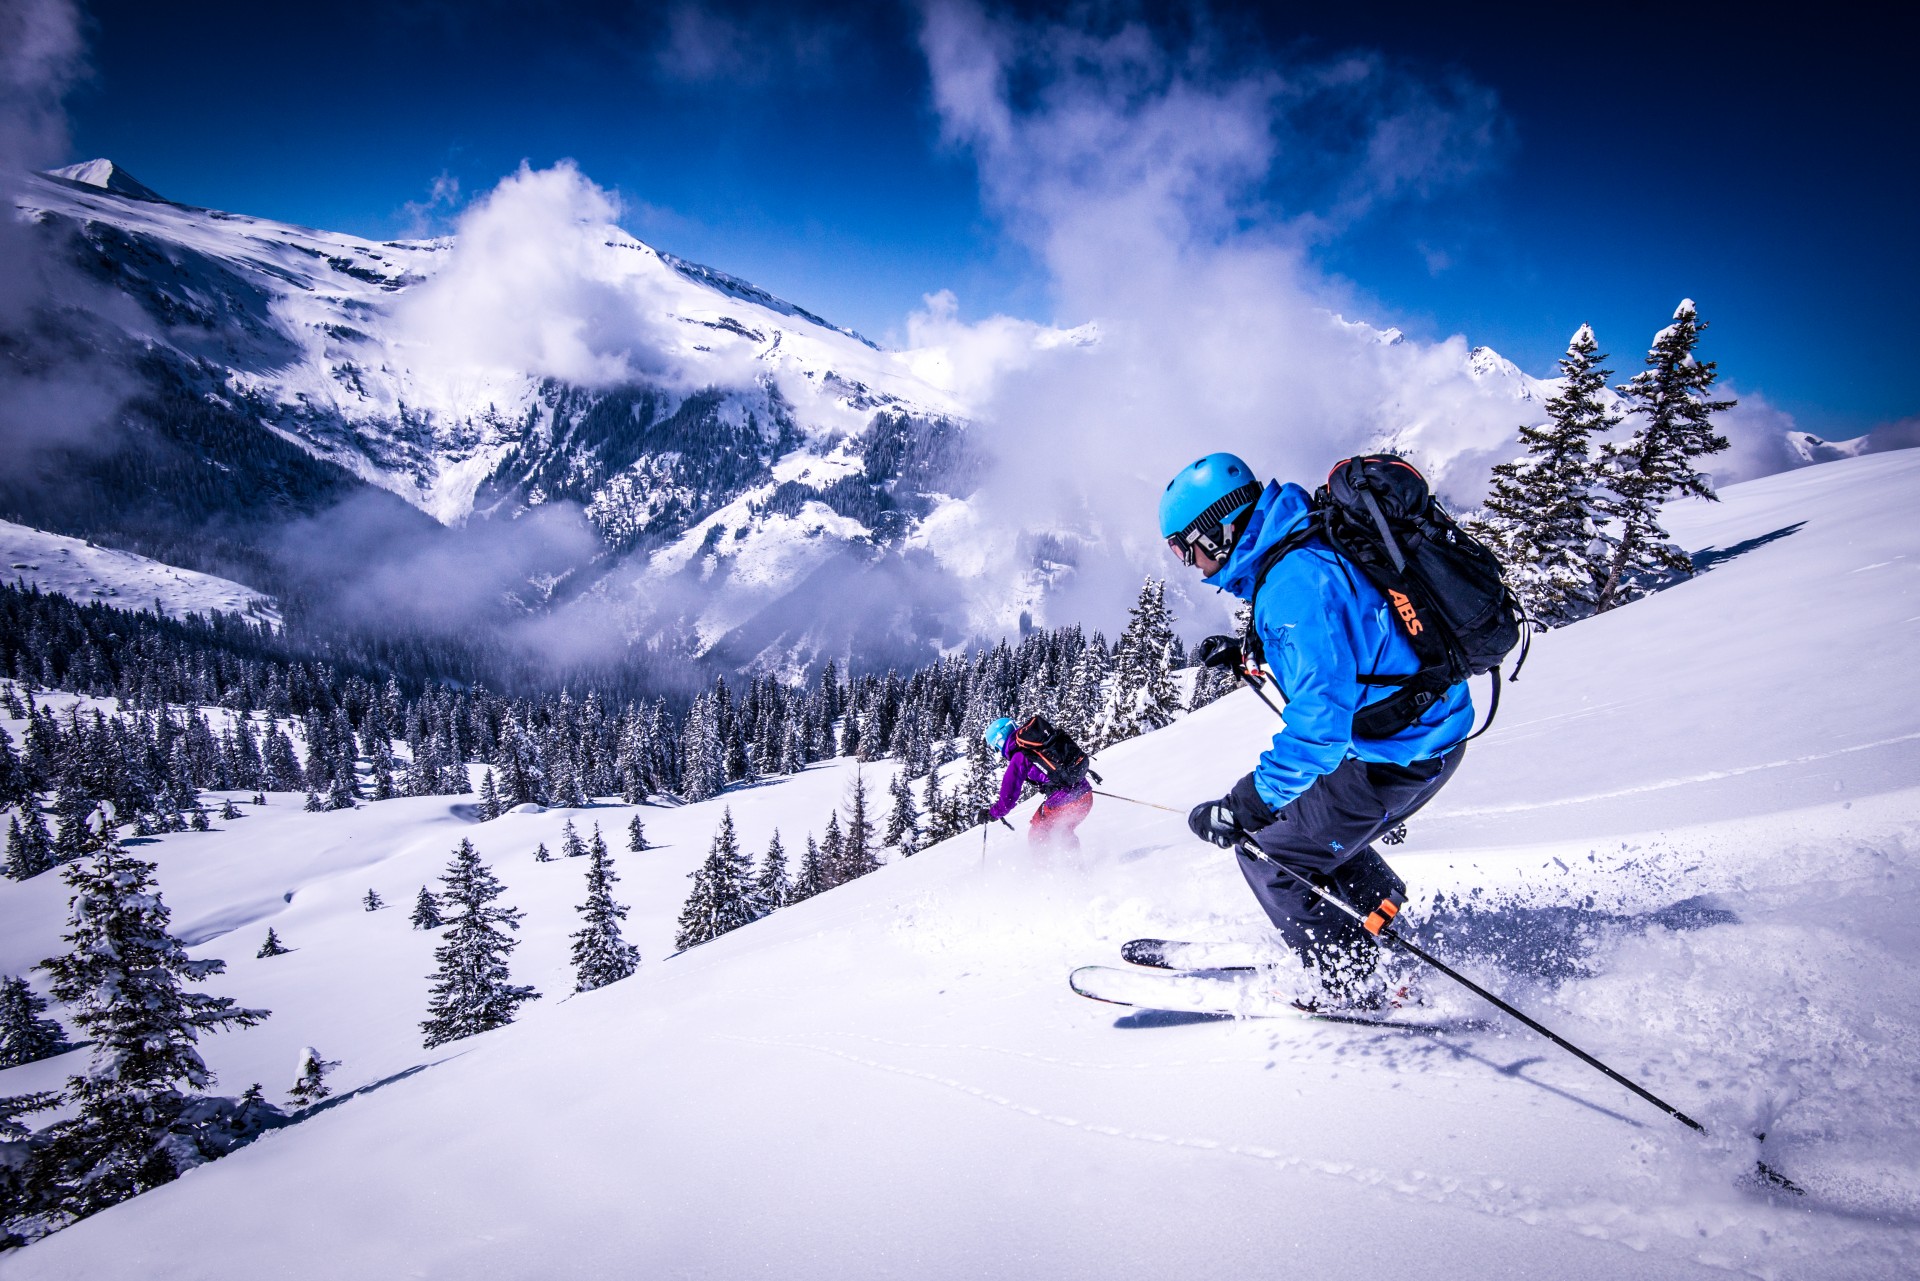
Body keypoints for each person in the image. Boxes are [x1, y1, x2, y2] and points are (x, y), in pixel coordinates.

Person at [1159, 452, 1475, 1009]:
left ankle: (1351, 983)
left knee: (1266, 851)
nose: (1191, 565)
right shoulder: (1306, 542)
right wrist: (1255, 648)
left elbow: (1320, 731)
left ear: (1219, 530)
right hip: (1426, 733)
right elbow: (1352, 631)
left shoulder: (1292, 586)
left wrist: (1244, 805)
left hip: (1395, 756)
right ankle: (1386, 922)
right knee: (1308, 826)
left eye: (1186, 548)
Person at [975, 717, 1094, 850]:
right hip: (1085, 795)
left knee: (1038, 833)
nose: (999, 751)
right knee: (1063, 832)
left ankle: (1044, 869)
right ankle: (1076, 866)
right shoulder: (1040, 742)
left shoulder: (1020, 757)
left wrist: (992, 814)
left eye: (996, 747)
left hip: (1066, 804)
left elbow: (1007, 799)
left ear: (1000, 740)